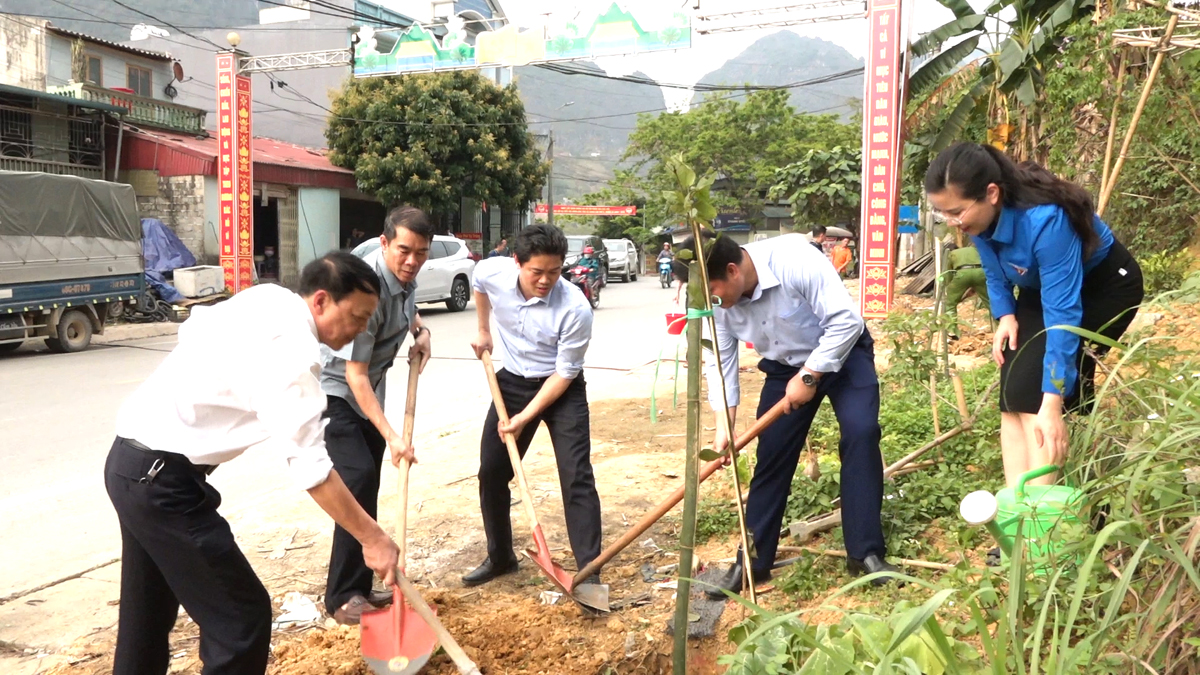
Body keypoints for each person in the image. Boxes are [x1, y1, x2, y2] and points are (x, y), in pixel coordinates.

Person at [106, 252, 401, 675]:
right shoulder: (296, 353)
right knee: (240, 617)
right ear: (320, 301)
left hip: (129, 464)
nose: (359, 330)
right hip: (161, 483)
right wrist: (373, 539)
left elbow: (195, 328)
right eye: (356, 317)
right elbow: (313, 470)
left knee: (147, 613)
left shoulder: (268, 298)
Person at [674, 232, 898, 598]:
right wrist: (723, 426)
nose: (714, 303)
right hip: (783, 367)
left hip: (842, 352)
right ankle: (753, 562)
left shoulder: (796, 261)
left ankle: (866, 554)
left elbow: (846, 322)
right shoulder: (713, 301)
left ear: (733, 270)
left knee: (861, 433)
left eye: (715, 293)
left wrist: (810, 375)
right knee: (772, 456)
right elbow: (721, 362)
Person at [924, 143, 1144, 490]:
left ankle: (1041, 520)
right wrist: (1006, 314)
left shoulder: (1045, 221)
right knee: (1014, 396)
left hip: (1103, 287)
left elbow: (1063, 314)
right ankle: (1018, 512)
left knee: (1043, 400)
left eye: (957, 212)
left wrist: (1053, 401)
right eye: (943, 214)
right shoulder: (977, 221)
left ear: (991, 193)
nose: (952, 222)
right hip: (1038, 283)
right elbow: (994, 270)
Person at [463, 225, 603, 589]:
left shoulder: (575, 308)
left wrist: (525, 417)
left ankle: (589, 573)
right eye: (536, 272)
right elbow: (478, 283)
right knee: (492, 472)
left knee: (576, 476)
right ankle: (501, 557)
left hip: (561, 388)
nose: (545, 281)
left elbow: (564, 373)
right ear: (517, 263)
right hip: (510, 381)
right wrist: (483, 329)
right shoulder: (494, 271)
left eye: (554, 272)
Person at [320, 206, 433, 625]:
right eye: (404, 250)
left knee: (365, 484)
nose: (411, 261)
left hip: (368, 393)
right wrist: (392, 436)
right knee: (357, 480)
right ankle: (343, 595)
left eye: (420, 253)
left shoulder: (405, 278)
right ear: (385, 243)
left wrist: (419, 331)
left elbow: (410, 306)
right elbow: (355, 375)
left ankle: (360, 584)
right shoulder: (365, 290)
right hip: (335, 392)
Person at [943, 242, 991, 339]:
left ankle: (952, 331)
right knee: (990, 302)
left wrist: (949, 287)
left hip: (962, 274)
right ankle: (1000, 325)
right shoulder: (973, 250)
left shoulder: (952, 254)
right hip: (980, 272)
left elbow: (949, 273)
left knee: (950, 304)